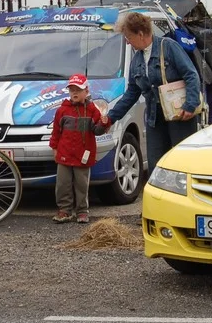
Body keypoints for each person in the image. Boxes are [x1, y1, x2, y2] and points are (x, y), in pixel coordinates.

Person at [105, 12, 201, 174]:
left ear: (141, 34)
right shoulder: (137, 61)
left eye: (128, 37)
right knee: (157, 166)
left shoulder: (169, 47)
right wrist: (110, 118)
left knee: (182, 163)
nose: (127, 43)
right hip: (154, 119)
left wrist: (190, 104)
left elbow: (191, 75)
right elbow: (131, 94)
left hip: (180, 115)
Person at [49, 74, 108, 224]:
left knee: (82, 185)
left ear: (86, 91)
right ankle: (64, 210)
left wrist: (104, 124)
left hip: (83, 155)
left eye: (78, 90)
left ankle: (82, 211)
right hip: (64, 154)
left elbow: (96, 130)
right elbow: (56, 131)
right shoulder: (62, 110)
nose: (74, 93)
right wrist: (54, 148)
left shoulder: (92, 110)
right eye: (71, 90)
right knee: (63, 184)